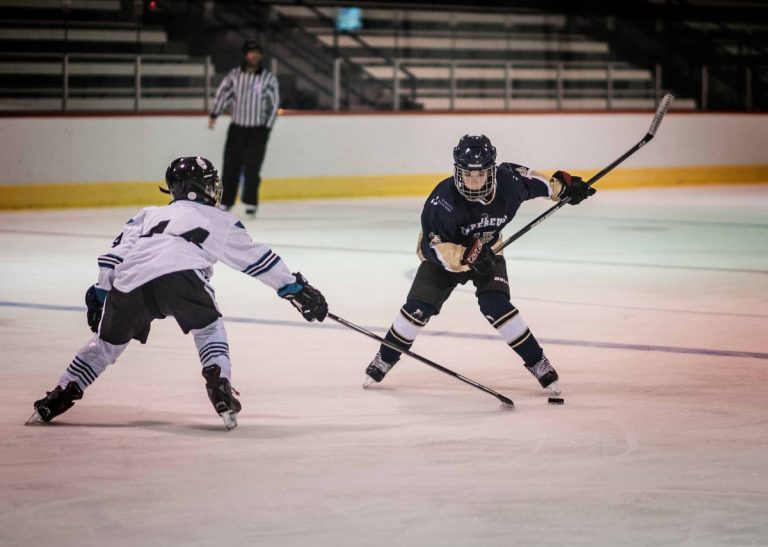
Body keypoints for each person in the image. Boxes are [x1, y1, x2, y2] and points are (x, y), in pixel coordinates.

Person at [28, 157, 327, 430]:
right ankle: (218, 382)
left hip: (131, 281)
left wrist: (102, 292)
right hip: (182, 277)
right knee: (208, 328)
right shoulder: (219, 219)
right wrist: (294, 288)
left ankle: (60, 393)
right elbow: (256, 259)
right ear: (201, 187)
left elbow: (114, 256)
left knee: (104, 345)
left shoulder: (148, 214)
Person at [363, 134, 596, 395]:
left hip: (489, 250)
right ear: (458, 172)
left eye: (481, 174)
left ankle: (537, 362)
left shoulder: (510, 183)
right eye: (467, 174)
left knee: (496, 306)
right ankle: (385, 358)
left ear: (492, 171)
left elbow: (537, 181)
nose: (474, 181)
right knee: (418, 309)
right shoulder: (442, 201)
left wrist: (564, 189)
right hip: (444, 258)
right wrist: (468, 257)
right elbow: (436, 249)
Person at [208, 39, 279, 219]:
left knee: (252, 167)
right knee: (230, 165)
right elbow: (223, 93)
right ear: (245, 55)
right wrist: (215, 113)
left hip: (258, 130)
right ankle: (226, 201)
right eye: (250, 52)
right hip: (237, 128)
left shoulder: (268, 78)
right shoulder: (234, 75)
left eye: (257, 52)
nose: (254, 55)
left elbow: (274, 103)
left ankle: (251, 202)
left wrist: (267, 127)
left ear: (261, 55)